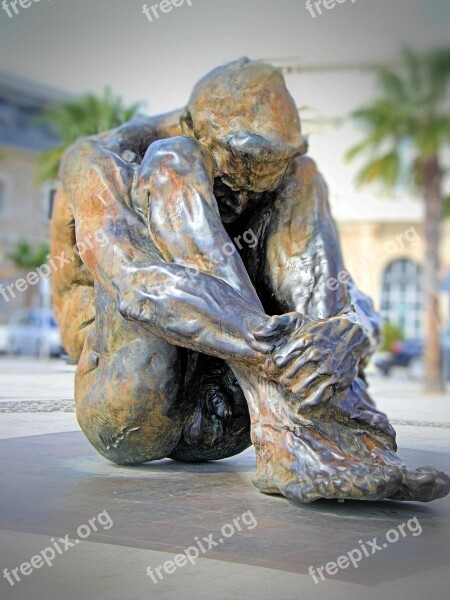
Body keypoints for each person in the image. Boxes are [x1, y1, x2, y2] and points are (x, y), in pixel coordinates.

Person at [51, 58, 449, 503]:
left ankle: (327, 419)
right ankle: (288, 429)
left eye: (265, 168)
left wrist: (345, 334)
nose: (244, 190)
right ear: (191, 123)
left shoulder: (286, 171)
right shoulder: (102, 160)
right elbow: (137, 286)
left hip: (227, 414)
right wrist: (274, 345)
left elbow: (347, 291)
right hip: (133, 407)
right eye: (238, 162)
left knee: (306, 175)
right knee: (172, 164)